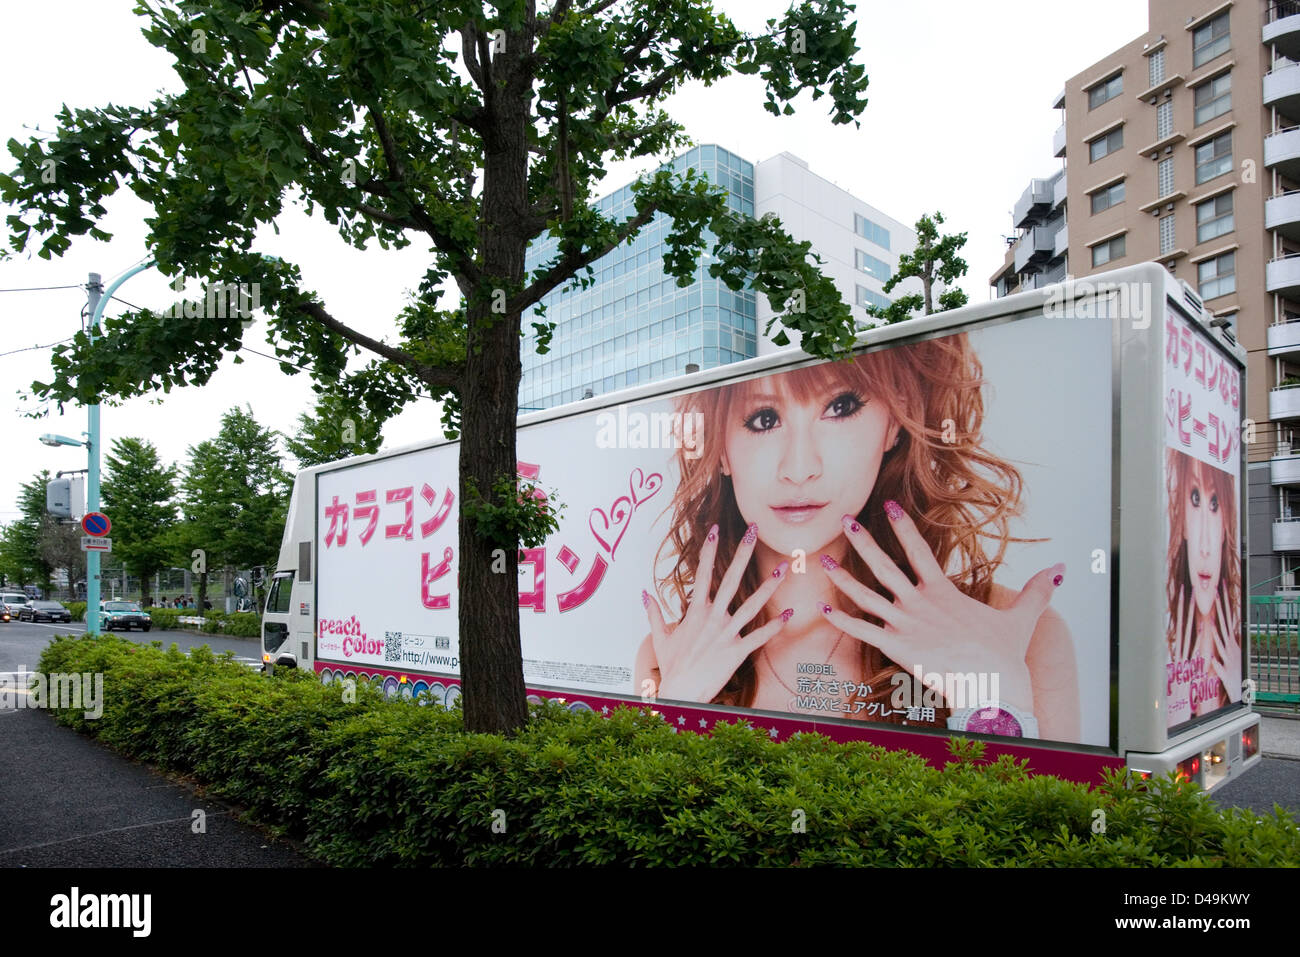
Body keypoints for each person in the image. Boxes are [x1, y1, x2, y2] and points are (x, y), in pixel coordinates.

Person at [636, 333, 1081, 741]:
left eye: (841, 407)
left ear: (893, 424)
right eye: (764, 418)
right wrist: (679, 705)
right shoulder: (672, 652)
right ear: (722, 449)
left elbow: (1043, 823)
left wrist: (995, 701)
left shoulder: (1014, 631)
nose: (799, 467)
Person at [1165, 448, 1241, 721]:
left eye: (1215, 504)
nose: (1206, 546)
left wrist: (1235, 687)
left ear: (1226, 524)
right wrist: (1176, 712)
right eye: (1195, 498)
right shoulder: (1165, 644)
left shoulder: (1234, 650)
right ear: (1182, 521)